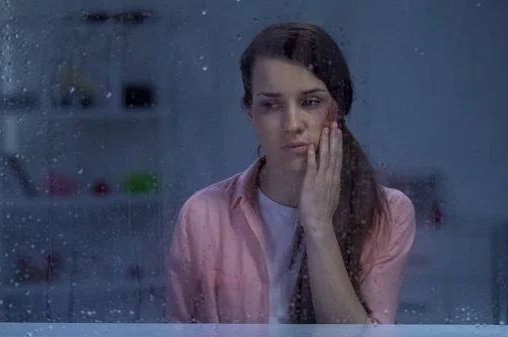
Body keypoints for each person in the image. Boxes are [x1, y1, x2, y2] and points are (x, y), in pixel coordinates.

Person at [165, 22, 416, 324]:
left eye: (311, 102)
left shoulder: (389, 212)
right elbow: (179, 330)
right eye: (271, 105)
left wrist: (318, 226)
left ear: (338, 109)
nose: (292, 123)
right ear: (251, 115)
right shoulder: (201, 214)